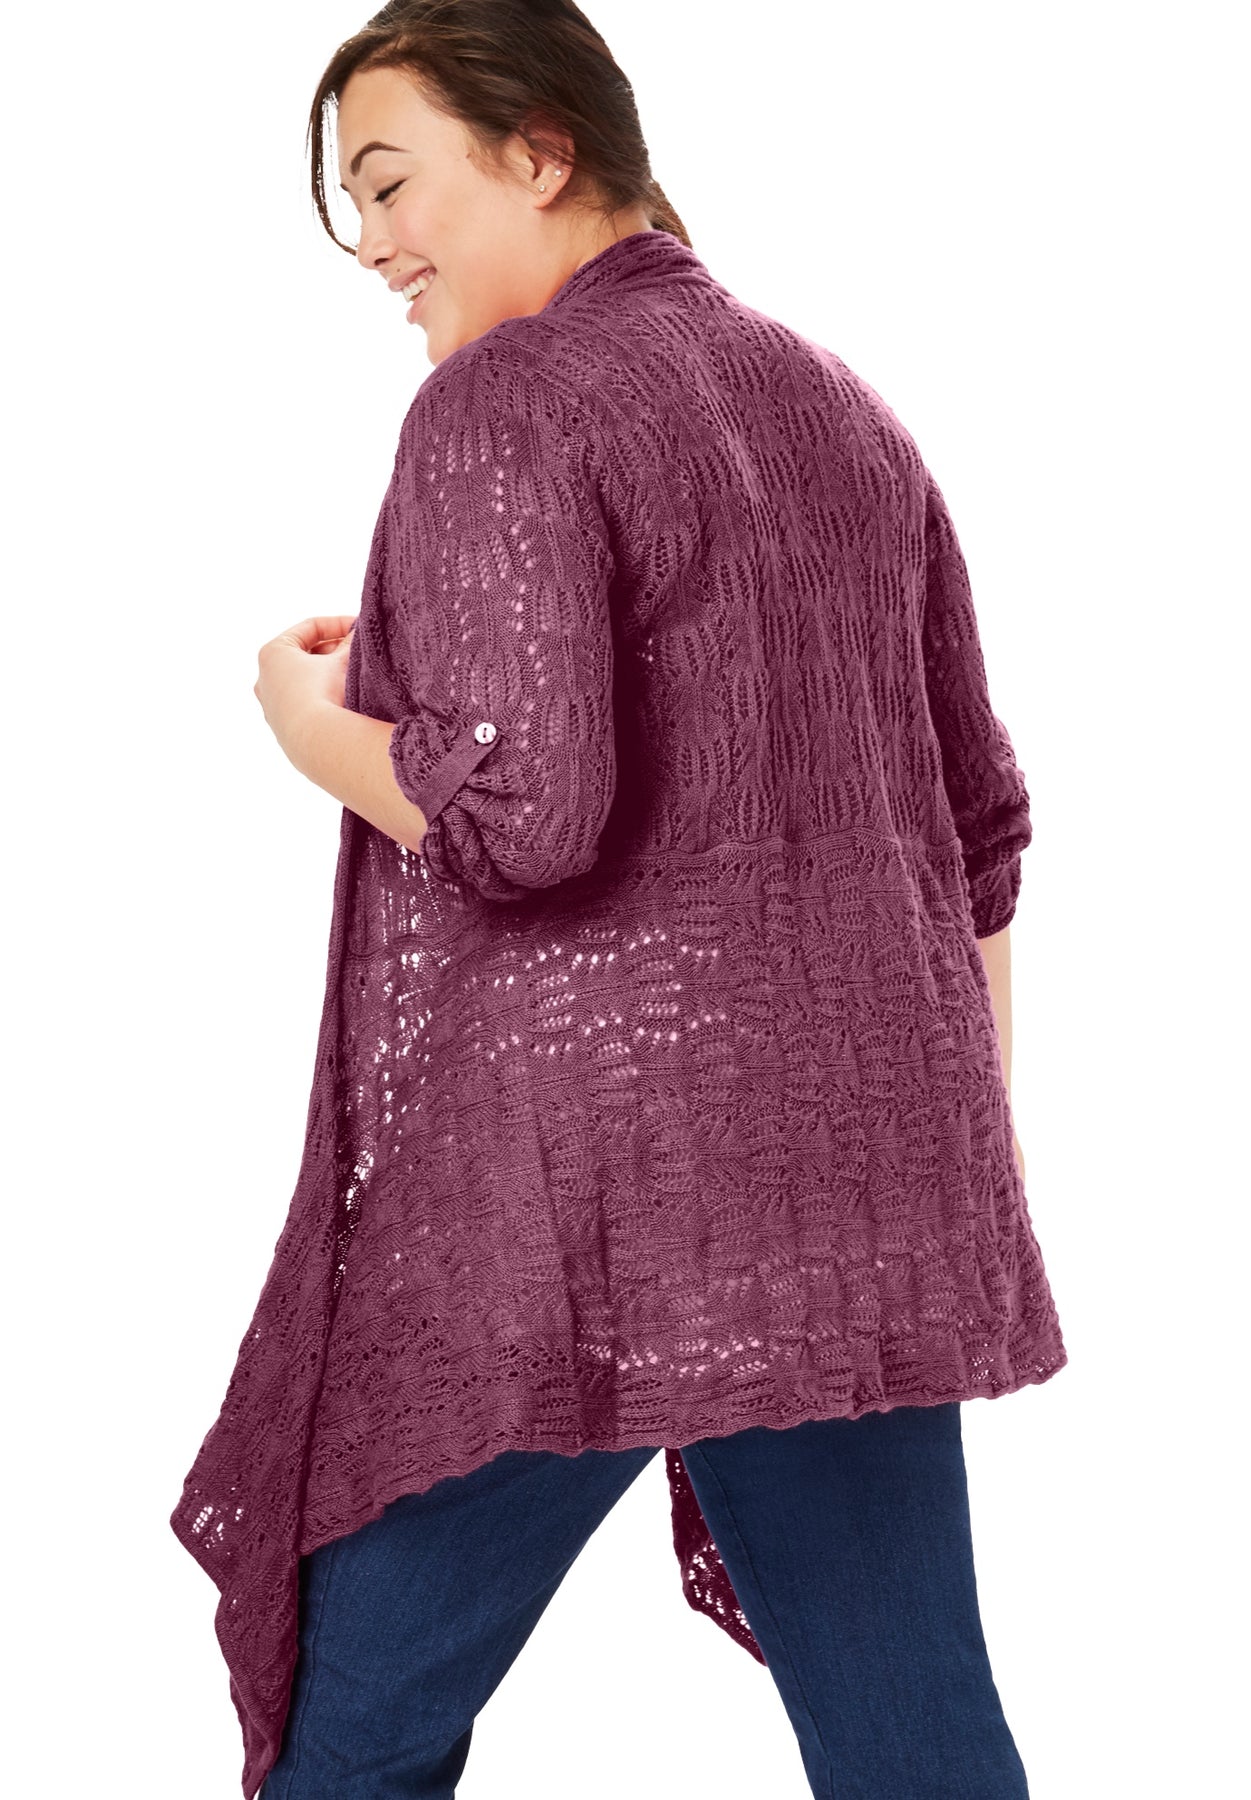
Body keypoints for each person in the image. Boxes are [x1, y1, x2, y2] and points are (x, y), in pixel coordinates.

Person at [169, 3, 1069, 1796]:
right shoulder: (845, 412)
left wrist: (315, 727)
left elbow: (529, 817)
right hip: (853, 1198)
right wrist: (964, 1149)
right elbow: (979, 832)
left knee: (354, 1735)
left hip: (586, 1221)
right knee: (914, 1744)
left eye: (390, 182)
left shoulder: (503, 400)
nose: (374, 245)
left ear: (541, 151)